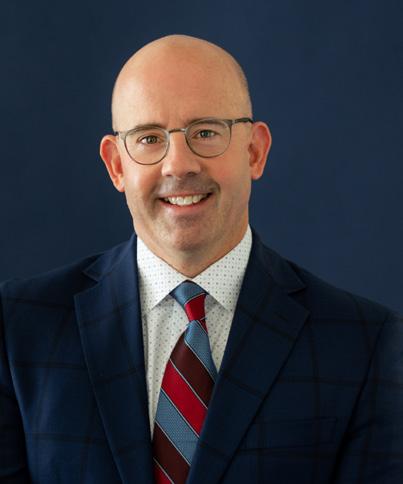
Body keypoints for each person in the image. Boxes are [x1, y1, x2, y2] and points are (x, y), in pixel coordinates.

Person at [0, 34, 402, 484]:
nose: (178, 165)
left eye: (206, 132)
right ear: (116, 166)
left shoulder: (364, 343)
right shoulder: (18, 329)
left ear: (255, 151)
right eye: (149, 138)